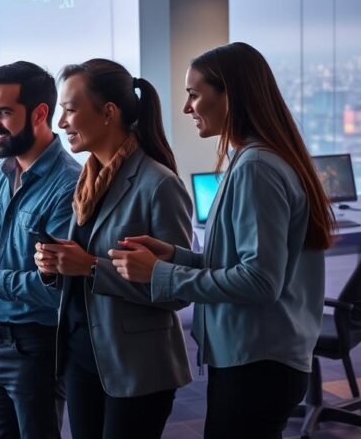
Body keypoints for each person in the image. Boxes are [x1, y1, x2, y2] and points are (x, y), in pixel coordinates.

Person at [108, 42, 331, 439]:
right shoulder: (254, 160)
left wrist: (161, 274)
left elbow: (260, 282)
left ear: (230, 93)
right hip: (260, 358)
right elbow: (243, 265)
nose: (186, 108)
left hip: (258, 362)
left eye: (194, 94)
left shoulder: (256, 167)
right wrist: (176, 257)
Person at [34, 60, 192, 439]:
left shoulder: (158, 184)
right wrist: (54, 265)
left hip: (136, 367)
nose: (61, 123)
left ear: (108, 113)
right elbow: (81, 269)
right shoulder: (87, 181)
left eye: (70, 110)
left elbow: (180, 288)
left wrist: (90, 267)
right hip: (84, 357)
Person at [0, 62, 80, 439]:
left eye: (3, 112)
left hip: (33, 347)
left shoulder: (68, 186)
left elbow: (57, 288)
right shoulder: (2, 174)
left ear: (39, 114)